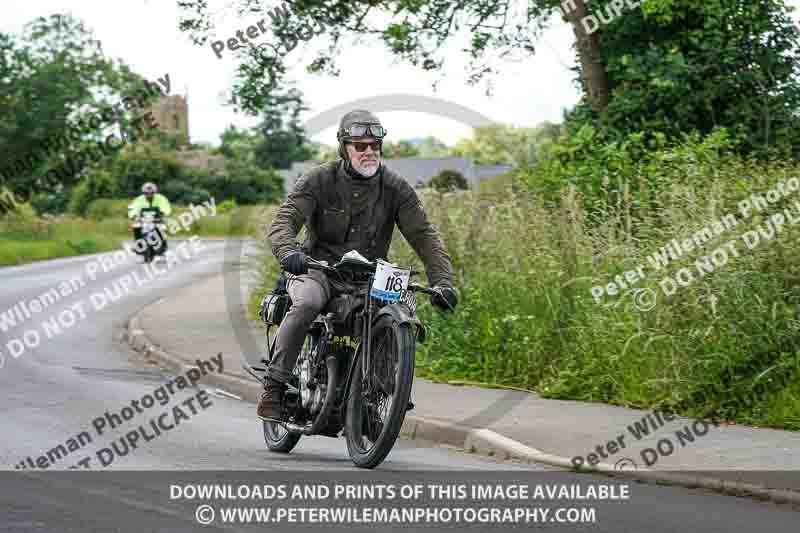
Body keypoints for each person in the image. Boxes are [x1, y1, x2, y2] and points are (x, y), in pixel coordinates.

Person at [258, 109, 459, 421]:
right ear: (344, 147)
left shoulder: (396, 188)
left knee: (401, 306)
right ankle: (275, 385)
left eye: (374, 146)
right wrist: (288, 252)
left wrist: (443, 281)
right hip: (317, 268)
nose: (369, 152)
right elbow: (284, 221)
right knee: (308, 302)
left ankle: (385, 389)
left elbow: (424, 236)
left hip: (369, 275)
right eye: (360, 145)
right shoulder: (318, 179)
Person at [128, 182, 172, 258]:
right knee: (136, 226)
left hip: (157, 220)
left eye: (151, 193)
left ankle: (163, 245)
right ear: (143, 193)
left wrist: (163, 213)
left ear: (154, 192)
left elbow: (166, 207)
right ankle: (138, 245)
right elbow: (133, 208)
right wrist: (134, 216)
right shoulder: (139, 199)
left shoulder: (161, 198)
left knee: (162, 227)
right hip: (143, 220)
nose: (148, 195)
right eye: (146, 193)